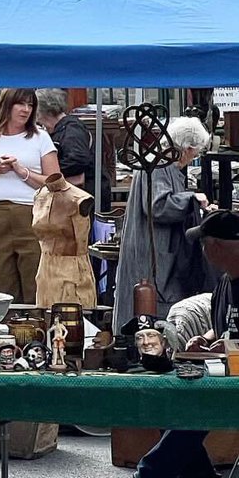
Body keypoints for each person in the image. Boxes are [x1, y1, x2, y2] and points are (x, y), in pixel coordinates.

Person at [135, 209, 239, 478]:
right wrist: (204, 338)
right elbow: (223, 326)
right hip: (221, 374)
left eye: (203, 245)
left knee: (192, 408)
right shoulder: (226, 282)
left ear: (214, 246)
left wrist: (226, 349)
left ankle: (150, 472)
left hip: (231, 382)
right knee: (169, 401)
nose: (203, 252)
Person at [113, 115, 213, 333]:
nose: (194, 156)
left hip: (160, 249)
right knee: (149, 299)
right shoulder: (157, 164)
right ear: (186, 148)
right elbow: (156, 206)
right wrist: (190, 199)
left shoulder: (166, 165)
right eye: (195, 152)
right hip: (151, 250)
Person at [0, 88, 59, 304]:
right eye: (21, 104)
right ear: (7, 105)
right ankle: (5, 331)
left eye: (30, 105)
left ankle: (34, 328)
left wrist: (22, 171)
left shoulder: (40, 138)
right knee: (0, 282)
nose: (26, 110)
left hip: (32, 214)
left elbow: (55, 181)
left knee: (34, 281)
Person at [34, 88, 102, 208]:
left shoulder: (71, 129)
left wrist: (49, 172)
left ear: (42, 111)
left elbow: (79, 159)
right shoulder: (60, 130)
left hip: (83, 197)